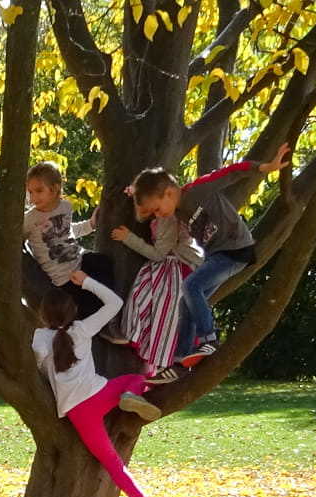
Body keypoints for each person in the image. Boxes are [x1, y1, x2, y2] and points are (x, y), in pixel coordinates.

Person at [129, 144, 290, 368]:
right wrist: (135, 192)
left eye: (157, 209)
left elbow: (231, 172)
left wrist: (265, 167)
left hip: (236, 249)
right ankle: (180, 360)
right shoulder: (177, 210)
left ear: (169, 193)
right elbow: (150, 194)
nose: (158, 215)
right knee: (186, 301)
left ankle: (209, 339)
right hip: (217, 256)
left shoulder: (198, 190)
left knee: (190, 285)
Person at [32, 277, 167, 497]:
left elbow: (39, 366)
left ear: (43, 314)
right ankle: (130, 395)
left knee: (113, 463)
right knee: (137, 378)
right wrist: (86, 281)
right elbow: (115, 303)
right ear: (73, 311)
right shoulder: (82, 329)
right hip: (101, 393)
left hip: (78, 412)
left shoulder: (40, 338)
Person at [109, 210, 204, 376]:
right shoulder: (163, 214)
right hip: (168, 269)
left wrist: (129, 238)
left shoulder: (168, 218)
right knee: (152, 307)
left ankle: (157, 356)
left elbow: (159, 254)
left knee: (163, 312)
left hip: (173, 270)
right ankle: (143, 344)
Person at [22, 161, 113, 317]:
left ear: (55, 189)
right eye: (30, 192)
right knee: (85, 305)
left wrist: (90, 225)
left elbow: (67, 231)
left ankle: (112, 310)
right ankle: (96, 321)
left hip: (79, 260)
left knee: (104, 263)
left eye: (39, 190)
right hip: (63, 277)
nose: (33, 197)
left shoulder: (65, 207)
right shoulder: (30, 219)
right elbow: (16, 240)